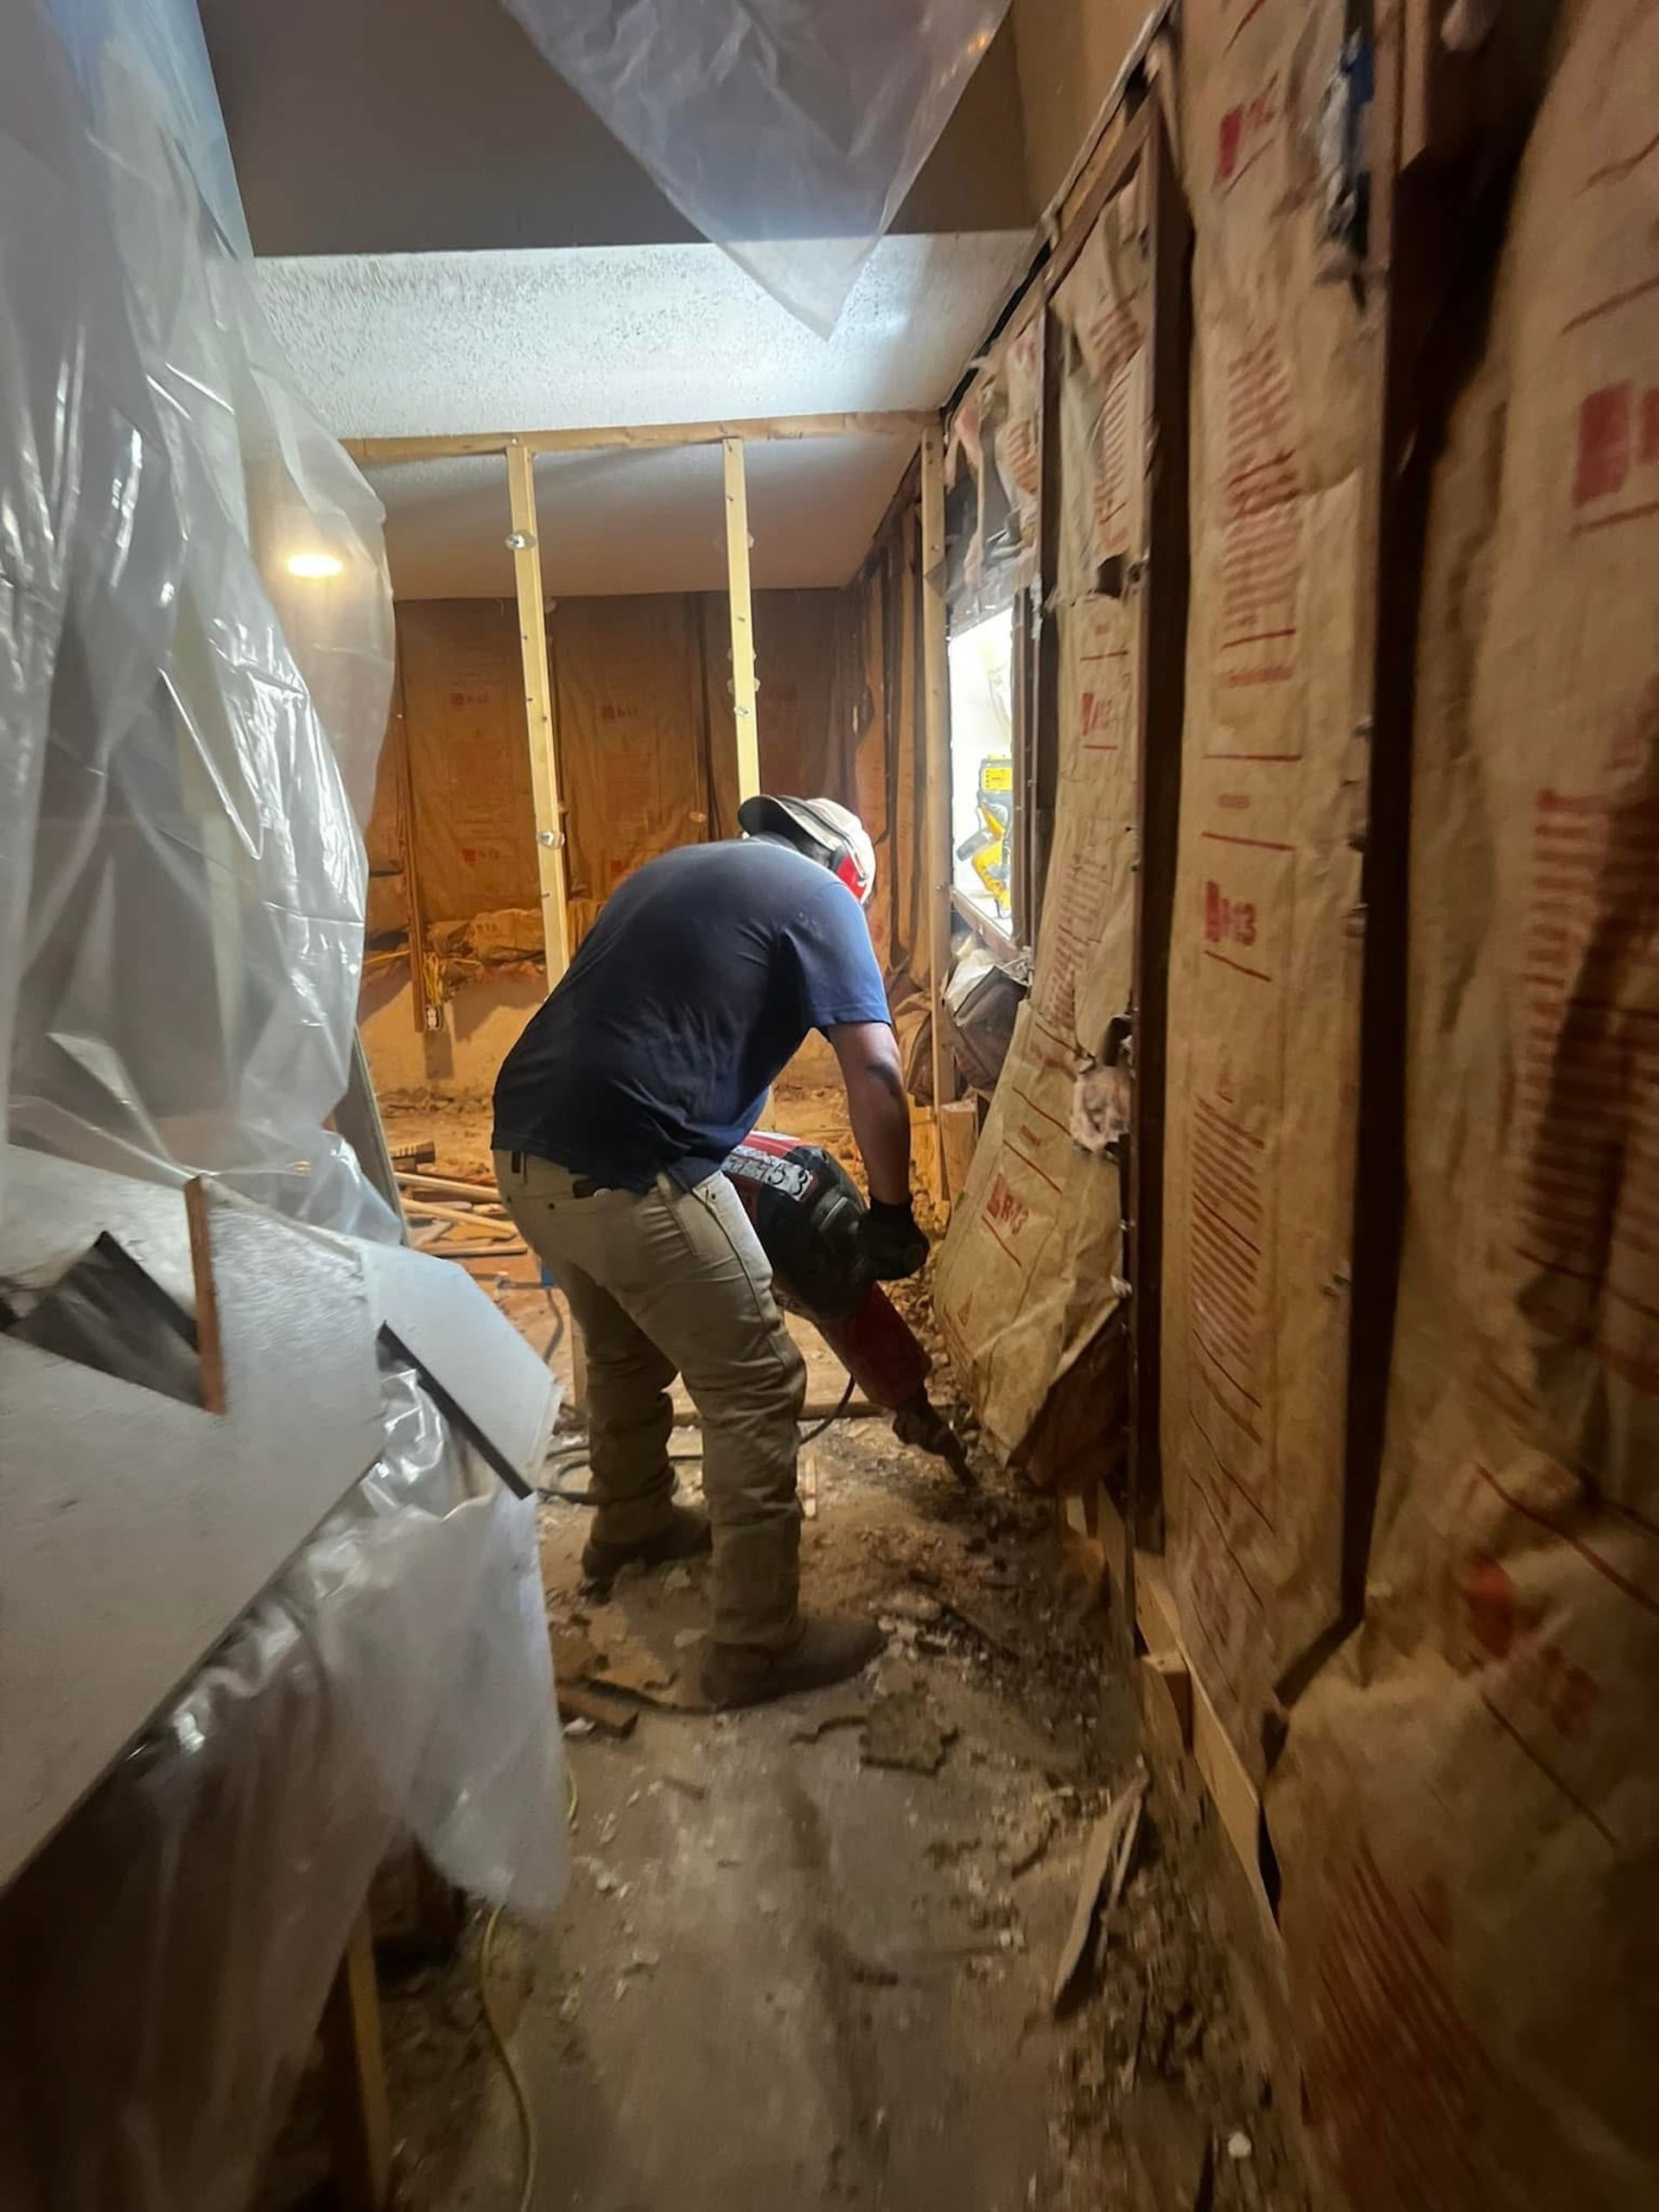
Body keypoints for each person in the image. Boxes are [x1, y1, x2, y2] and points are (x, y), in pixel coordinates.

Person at [493, 794, 929, 1708]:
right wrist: (893, 1211)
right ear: (849, 874)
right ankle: (758, 1645)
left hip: (523, 1150)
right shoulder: (825, 899)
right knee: (759, 1379)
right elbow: (879, 1071)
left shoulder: (669, 872)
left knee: (622, 1346)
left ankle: (634, 1518)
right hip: (627, 1158)